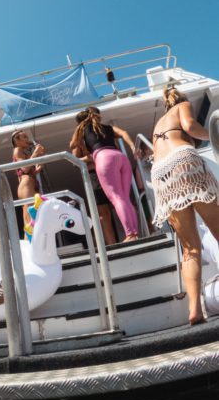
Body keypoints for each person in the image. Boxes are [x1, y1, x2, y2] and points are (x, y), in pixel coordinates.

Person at [151, 86, 219, 325]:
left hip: (160, 173)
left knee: (190, 249)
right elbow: (190, 127)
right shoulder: (183, 106)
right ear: (180, 99)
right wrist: (212, 135)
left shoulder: (159, 123)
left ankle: (194, 311)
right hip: (183, 161)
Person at [69, 107, 140, 242]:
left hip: (103, 158)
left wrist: (79, 130)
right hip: (120, 156)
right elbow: (123, 132)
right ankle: (134, 233)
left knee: (117, 198)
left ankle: (130, 234)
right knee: (125, 198)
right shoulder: (106, 128)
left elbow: (72, 144)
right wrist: (132, 146)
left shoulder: (83, 130)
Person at [71, 115, 117, 246]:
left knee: (117, 206)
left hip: (108, 172)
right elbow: (74, 161)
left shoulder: (102, 133)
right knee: (104, 212)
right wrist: (90, 158)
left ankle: (127, 236)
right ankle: (112, 244)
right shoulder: (79, 139)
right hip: (94, 175)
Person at [11, 129, 45, 232]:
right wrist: (35, 153)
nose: (27, 139)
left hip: (31, 185)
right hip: (26, 185)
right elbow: (25, 168)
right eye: (24, 137)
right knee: (29, 220)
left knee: (36, 219)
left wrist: (39, 161)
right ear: (17, 141)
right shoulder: (17, 150)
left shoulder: (22, 152)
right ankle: (29, 245)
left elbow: (30, 170)